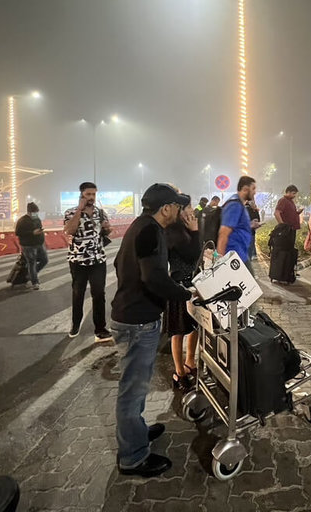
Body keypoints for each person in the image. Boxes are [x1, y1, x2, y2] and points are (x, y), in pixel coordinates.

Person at [111, 183, 192, 478]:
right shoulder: (149, 230)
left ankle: (138, 432)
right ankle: (133, 457)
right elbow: (154, 277)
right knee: (131, 391)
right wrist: (184, 294)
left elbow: (121, 263)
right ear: (166, 208)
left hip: (134, 315)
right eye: (177, 206)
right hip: (137, 321)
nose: (180, 211)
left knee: (138, 384)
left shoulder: (142, 226)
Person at [64, 181, 113, 342]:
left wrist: (107, 228)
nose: (91, 197)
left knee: (99, 294)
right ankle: (75, 324)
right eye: (88, 194)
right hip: (78, 260)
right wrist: (79, 209)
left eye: (93, 194)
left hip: (98, 259)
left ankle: (100, 329)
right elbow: (69, 230)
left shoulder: (100, 212)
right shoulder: (71, 212)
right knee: (78, 293)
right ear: (81, 195)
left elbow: (106, 231)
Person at [164, 199, 201, 391]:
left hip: (192, 284)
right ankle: (179, 372)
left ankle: (190, 362)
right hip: (178, 286)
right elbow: (192, 255)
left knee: (194, 325)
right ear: (179, 210)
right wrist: (195, 231)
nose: (192, 210)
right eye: (188, 207)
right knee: (178, 331)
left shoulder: (184, 229)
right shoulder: (173, 231)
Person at [217, 176, 258, 268]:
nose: (255, 192)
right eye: (253, 189)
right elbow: (223, 233)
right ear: (245, 189)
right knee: (249, 281)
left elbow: (237, 227)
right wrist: (221, 262)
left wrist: (251, 225)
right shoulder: (234, 205)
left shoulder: (239, 204)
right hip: (233, 256)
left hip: (241, 254)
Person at [15, 202, 48, 289]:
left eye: (37, 212)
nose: (36, 214)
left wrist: (40, 232)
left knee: (45, 260)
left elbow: (39, 227)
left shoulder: (37, 219)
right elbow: (17, 232)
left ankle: (30, 275)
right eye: (34, 212)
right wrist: (32, 233)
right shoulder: (22, 221)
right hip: (28, 246)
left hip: (39, 244)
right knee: (32, 263)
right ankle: (35, 282)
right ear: (29, 212)